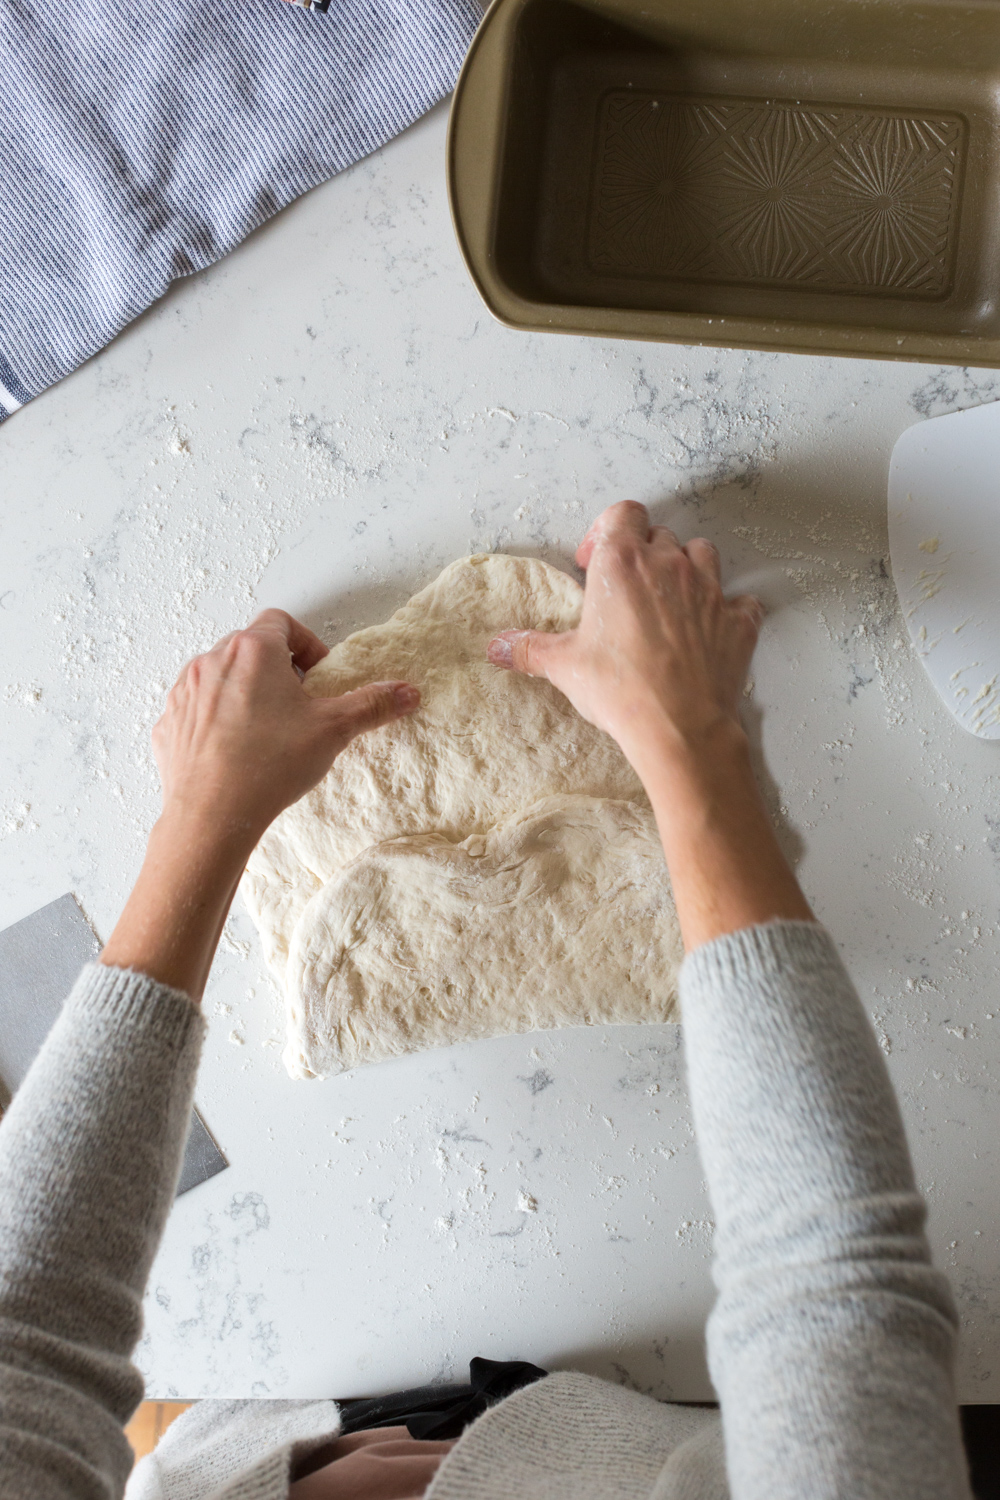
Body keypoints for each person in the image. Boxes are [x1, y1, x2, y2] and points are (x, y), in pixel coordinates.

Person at [0, 501, 972, 1500]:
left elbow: (18, 1345)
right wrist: (686, 736)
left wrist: (204, 814)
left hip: (268, 1446)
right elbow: (839, 1312)